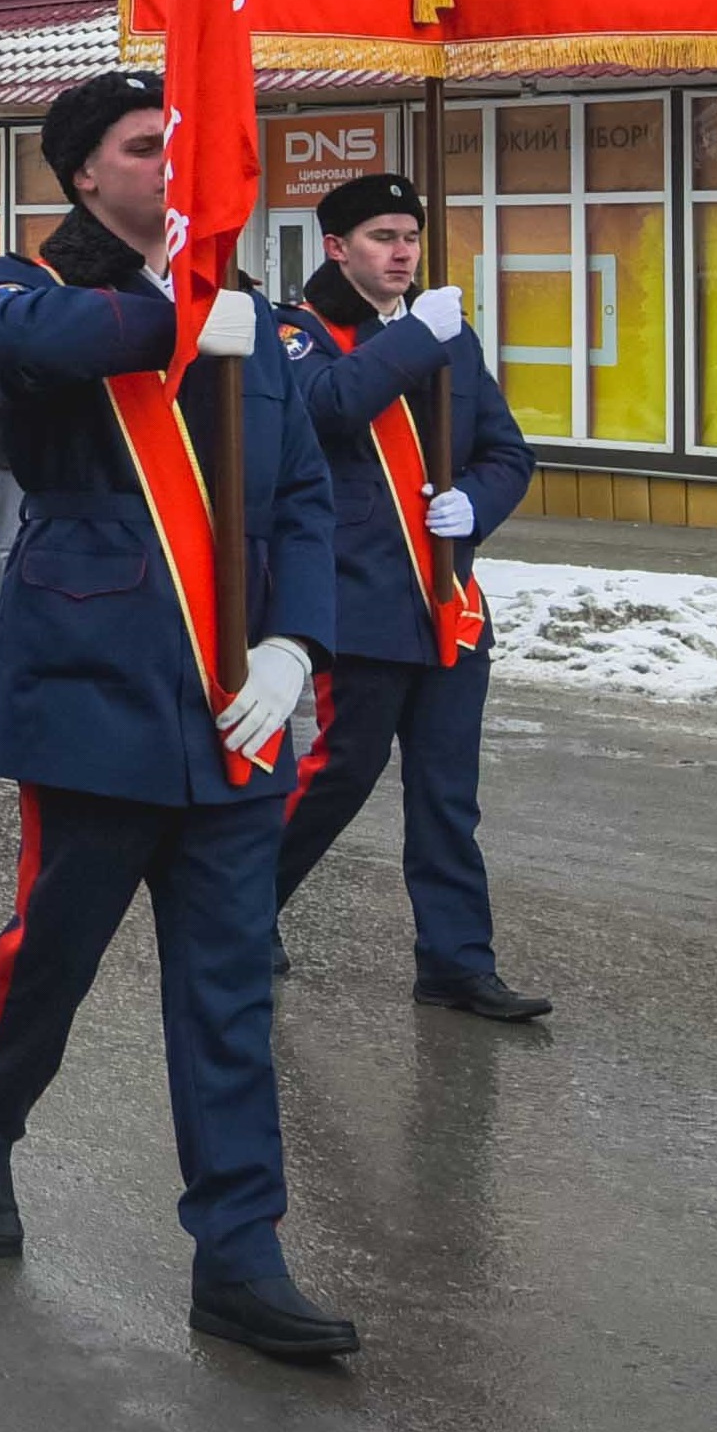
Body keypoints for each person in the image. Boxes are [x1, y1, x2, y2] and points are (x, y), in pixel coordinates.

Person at [0, 68, 357, 1363]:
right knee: (53, 953)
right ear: (83, 174)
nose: (174, 159)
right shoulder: (29, 287)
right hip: (95, 700)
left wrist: (295, 642)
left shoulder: (259, 323)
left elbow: (303, 504)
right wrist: (167, 317)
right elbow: (18, 353)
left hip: (233, 716)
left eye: (185, 138)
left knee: (228, 996)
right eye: (144, 143)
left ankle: (240, 1253)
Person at [267, 174, 549, 1021]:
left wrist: (478, 507)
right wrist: (415, 341)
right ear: (335, 248)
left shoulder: (447, 334)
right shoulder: (296, 335)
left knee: (447, 797)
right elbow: (328, 411)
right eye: (382, 237)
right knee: (337, 775)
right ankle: (238, 908)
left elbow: (507, 451)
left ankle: (456, 963)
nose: (401, 253)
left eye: (411, 238)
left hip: (446, 601)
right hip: (356, 601)